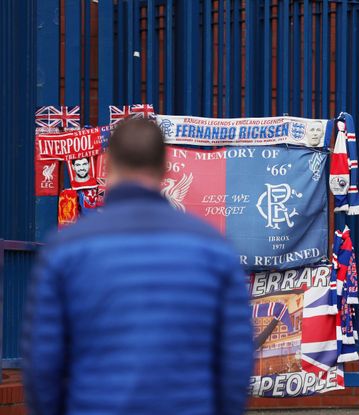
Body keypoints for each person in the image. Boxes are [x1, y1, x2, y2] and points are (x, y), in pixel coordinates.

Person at [22, 117, 253, 415]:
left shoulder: (65, 248)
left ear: (108, 165)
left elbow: (43, 363)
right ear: (164, 168)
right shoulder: (213, 247)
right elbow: (235, 359)